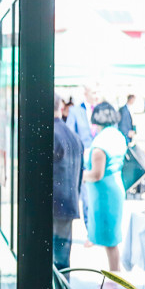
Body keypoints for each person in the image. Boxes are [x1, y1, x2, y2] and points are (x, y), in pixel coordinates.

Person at [83, 102, 128, 289]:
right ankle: (114, 276)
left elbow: (96, 174)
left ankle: (113, 280)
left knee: (110, 241)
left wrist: (78, 175)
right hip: (115, 186)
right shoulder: (117, 135)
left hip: (104, 194)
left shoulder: (100, 143)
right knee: (112, 237)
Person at [53, 93, 84, 278]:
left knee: (55, 260)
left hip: (53, 204)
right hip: (69, 203)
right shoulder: (73, 136)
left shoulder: (51, 134)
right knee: (63, 259)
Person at [66, 82, 101, 241]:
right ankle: (91, 234)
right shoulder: (75, 111)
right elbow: (70, 135)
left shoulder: (102, 110)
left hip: (101, 160)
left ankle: (97, 231)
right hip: (84, 161)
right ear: (85, 93)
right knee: (87, 198)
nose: (96, 96)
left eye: (97, 92)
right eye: (93, 92)